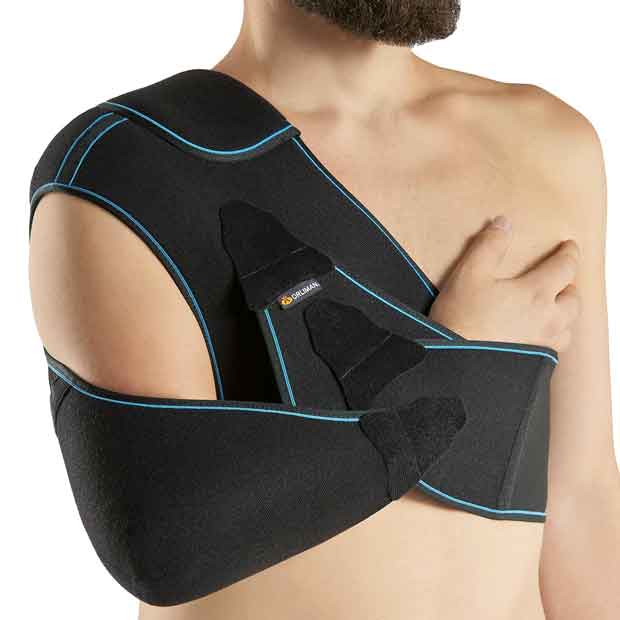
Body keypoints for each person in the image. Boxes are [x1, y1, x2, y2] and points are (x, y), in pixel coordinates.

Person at [28, 1, 619, 618]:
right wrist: (457, 369)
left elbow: (581, 499)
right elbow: (166, 542)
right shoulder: (134, 170)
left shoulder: (548, 146)